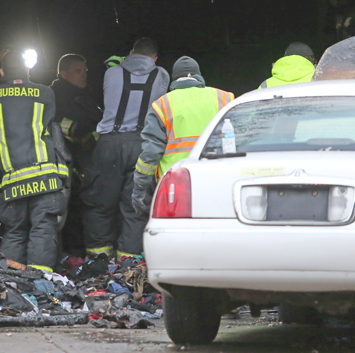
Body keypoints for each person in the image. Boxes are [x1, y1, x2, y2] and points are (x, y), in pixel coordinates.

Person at [0, 51, 69, 273]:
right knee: (43, 227)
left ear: (2, 72)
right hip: (45, 175)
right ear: (28, 70)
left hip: (12, 180)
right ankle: (40, 280)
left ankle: (13, 278)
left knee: (15, 230)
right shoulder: (46, 93)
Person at [81, 37, 170, 262]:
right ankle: (127, 263)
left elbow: (115, 64)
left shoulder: (112, 72)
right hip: (142, 145)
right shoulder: (162, 75)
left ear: (130, 53)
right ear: (155, 58)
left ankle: (97, 259)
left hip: (110, 143)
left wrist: (121, 59)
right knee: (135, 206)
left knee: (100, 203)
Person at [132, 56, 234, 215]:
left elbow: (151, 153)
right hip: (218, 178)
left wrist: (140, 186)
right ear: (199, 76)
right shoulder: (224, 98)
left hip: (175, 184)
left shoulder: (162, 105)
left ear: (174, 79)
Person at [50, 54, 102, 255]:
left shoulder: (86, 94)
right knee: (69, 211)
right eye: (78, 71)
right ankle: (71, 254)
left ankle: (80, 254)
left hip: (86, 162)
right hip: (65, 162)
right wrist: (81, 130)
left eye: (85, 70)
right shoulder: (55, 95)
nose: (84, 75)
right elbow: (60, 124)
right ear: (63, 74)